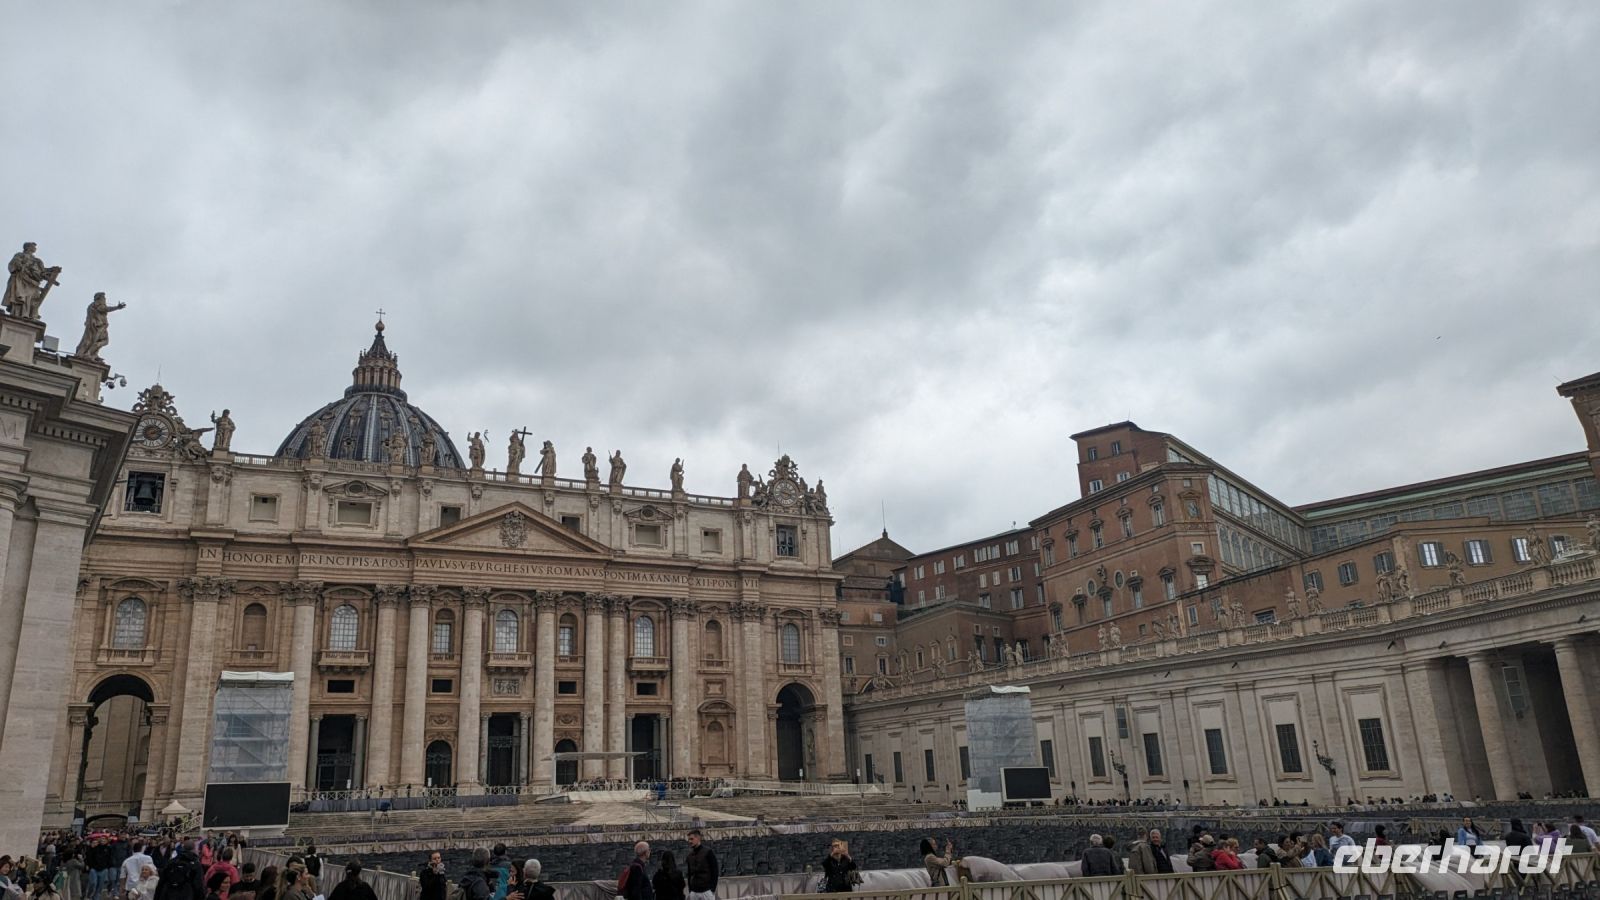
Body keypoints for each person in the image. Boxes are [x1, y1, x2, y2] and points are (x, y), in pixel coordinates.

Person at [684, 831, 717, 900]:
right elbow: (689, 874)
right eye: (689, 839)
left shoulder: (708, 852)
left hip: (707, 891)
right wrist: (690, 890)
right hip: (694, 892)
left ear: (698, 838)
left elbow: (715, 871)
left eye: (691, 839)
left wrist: (712, 889)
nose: (689, 841)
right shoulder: (689, 856)